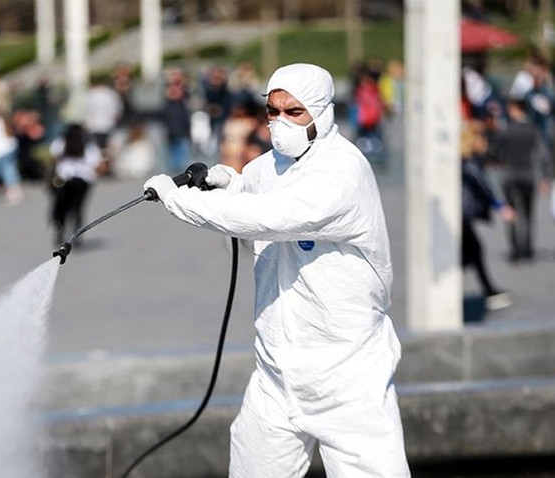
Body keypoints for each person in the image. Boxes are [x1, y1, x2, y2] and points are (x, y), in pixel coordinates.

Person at [143, 63, 409, 477]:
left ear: (322, 111)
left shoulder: (343, 172)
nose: (280, 122)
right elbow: (254, 203)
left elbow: (271, 216)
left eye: (295, 112)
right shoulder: (266, 166)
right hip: (276, 375)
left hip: (347, 377)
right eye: (273, 111)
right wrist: (227, 183)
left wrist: (179, 201)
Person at [490, 99, 552, 262]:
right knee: (528, 214)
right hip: (528, 175)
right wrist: (545, 177)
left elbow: (494, 153)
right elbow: (544, 154)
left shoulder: (506, 130)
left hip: (509, 176)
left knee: (512, 212)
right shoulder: (532, 130)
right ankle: (527, 248)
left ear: (514, 109)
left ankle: (515, 249)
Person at [461, 121, 514, 311]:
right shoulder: (470, 163)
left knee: (472, 252)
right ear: (474, 140)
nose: (485, 143)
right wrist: (500, 206)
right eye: (483, 139)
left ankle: (488, 291)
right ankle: (489, 292)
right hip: (463, 216)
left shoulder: (466, 160)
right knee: (472, 252)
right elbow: (483, 186)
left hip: (462, 217)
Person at [48, 124, 102, 246]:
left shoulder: (62, 142)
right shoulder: (89, 145)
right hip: (84, 180)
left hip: (64, 179)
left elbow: (53, 155)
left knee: (61, 206)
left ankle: (59, 230)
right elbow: (97, 164)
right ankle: (76, 235)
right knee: (78, 208)